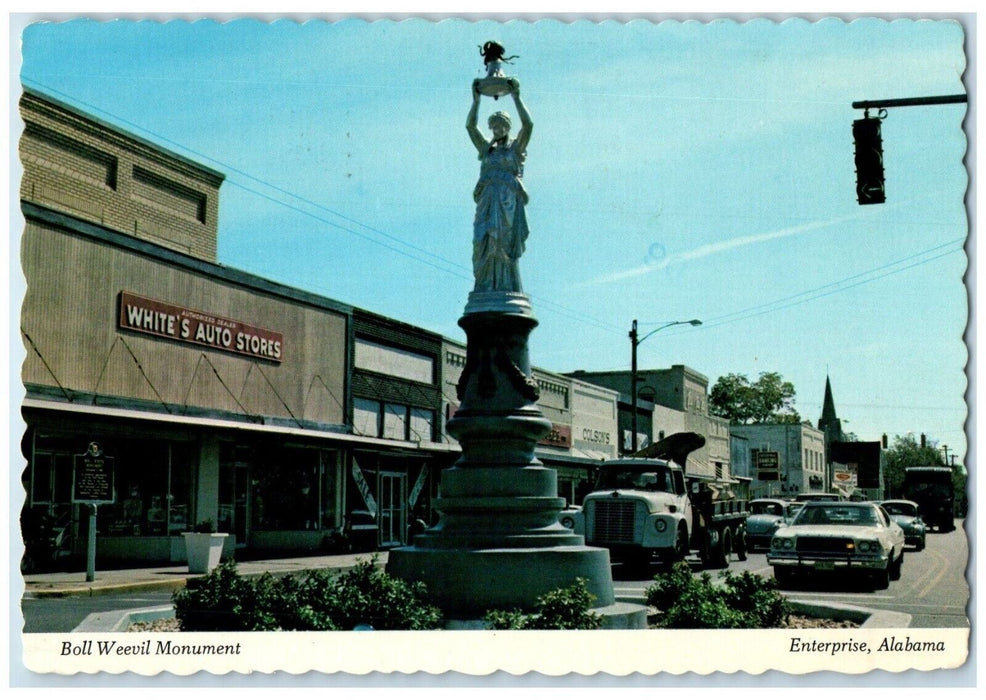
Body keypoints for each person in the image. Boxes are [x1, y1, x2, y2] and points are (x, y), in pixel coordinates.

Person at [466, 79, 533, 293]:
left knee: (504, 246)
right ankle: (485, 287)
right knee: (482, 243)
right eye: (493, 126)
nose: (497, 129)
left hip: (507, 206)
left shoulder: (515, 149)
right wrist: (476, 100)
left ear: (508, 127)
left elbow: (528, 125)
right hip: (486, 203)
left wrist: (516, 95)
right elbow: (470, 127)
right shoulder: (486, 150)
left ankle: (506, 288)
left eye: (501, 125)